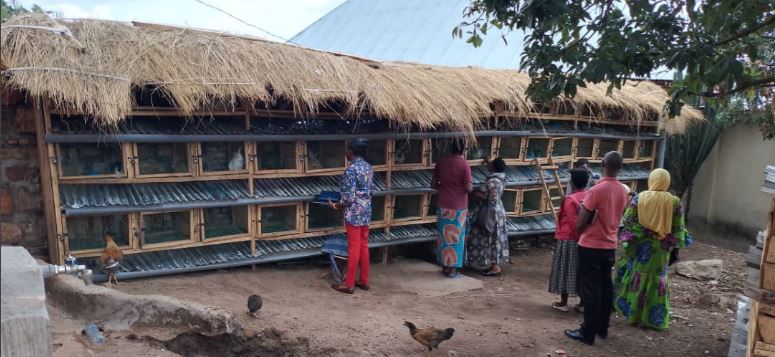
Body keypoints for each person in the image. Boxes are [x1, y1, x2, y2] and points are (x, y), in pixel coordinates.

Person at [613, 168, 692, 330]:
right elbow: (679, 228)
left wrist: (645, 231)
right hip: (662, 248)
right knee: (657, 278)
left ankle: (634, 315)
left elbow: (628, 221)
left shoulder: (639, 198)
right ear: (666, 181)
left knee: (637, 276)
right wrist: (668, 239)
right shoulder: (675, 202)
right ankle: (653, 320)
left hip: (642, 245)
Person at [564, 151, 629, 345]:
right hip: (610, 244)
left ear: (603, 164)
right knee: (605, 287)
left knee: (590, 290)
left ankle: (587, 332)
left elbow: (583, 218)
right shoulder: (623, 190)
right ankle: (602, 327)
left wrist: (579, 228)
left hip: (591, 243)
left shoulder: (597, 190)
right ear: (620, 167)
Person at [329, 138, 373, 294]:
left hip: (354, 213)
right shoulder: (368, 167)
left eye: (347, 149)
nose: (345, 152)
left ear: (352, 152)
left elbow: (348, 198)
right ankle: (364, 280)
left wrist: (335, 205)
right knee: (364, 245)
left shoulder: (351, 170)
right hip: (366, 211)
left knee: (353, 247)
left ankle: (348, 284)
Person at [548, 168, 590, 311]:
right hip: (584, 239)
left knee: (564, 269)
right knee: (581, 270)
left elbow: (573, 223)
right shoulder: (589, 196)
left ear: (572, 183)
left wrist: (577, 237)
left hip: (568, 238)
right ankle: (582, 302)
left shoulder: (570, 200)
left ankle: (563, 302)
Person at [431, 139, 474, 278]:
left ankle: (444, 265)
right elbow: (468, 187)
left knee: (444, 237)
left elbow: (433, 184)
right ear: (463, 149)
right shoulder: (464, 165)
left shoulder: (441, 163)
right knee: (456, 238)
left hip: (443, 204)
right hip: (459, 207)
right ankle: (453, 268)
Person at [467, 157, 509, 276]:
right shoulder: (500, 177)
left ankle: (495, 267)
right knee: (494, 237)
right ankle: (492, 265)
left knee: (492, 237)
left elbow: (492, 200)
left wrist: (475, 193)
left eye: (490, 164)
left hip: (492, 213)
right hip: (498, 212)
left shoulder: (493, 181)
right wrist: (488, 161)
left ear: (494, 167)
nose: (488, 164)